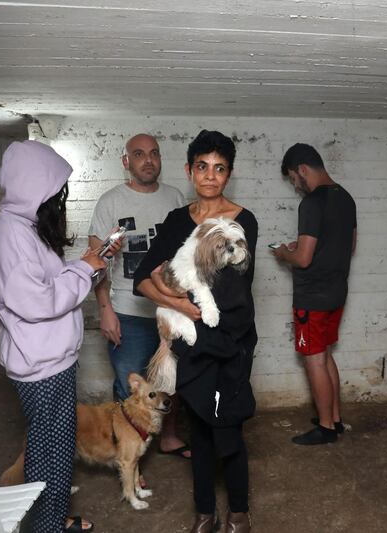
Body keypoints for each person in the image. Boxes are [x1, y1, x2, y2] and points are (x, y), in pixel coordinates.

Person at [133, 130, 257, 533]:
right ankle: (205, 512)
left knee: (230, 428)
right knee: (200, 430)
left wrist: (170, 290)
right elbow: (142, 278)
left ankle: (239, 511)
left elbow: (233, 286)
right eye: (202, 167)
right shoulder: (174, 221)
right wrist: (184, 304)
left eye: (219, 168)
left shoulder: (243, 221)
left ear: (229, 174)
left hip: (231, 342)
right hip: (192, 342)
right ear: (189, 171)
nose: (210, 176)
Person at [0, 140, 116, 533]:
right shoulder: (12, 236)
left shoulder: (22, 227)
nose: (59, 201)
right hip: (40, 368)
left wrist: (92, 263)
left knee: (55, 448)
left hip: (50, 360)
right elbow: (38, 302)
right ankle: (47, 527)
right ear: (34, 187)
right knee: (51, 452)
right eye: (56, 192)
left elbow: (50, 281)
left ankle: (53, 519)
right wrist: (83, 270)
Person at [88, 133, 191, 459]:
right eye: (139, 154)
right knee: (129, 388)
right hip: (128, 313)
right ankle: (127, 454)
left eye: (154, 154)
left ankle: (169, 437)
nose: (148, 160)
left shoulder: (175, 198)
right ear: (126, 162)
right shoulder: (111, 202)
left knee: (170, 383)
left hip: (170, 311)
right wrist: (105, 309)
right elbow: (95, 262)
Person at [273, 143, 357, 446]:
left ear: (302, 169)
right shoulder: (345, 197)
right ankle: (334, 418)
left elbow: (305, 259)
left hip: (312, 297)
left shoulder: (311, 203)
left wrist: (285, 253)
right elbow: (349, 245)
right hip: (336, 292)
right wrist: (307, 250)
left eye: (294, 179)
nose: (296, 186)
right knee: (326, 356)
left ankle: (325, 427)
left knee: (314, 360)